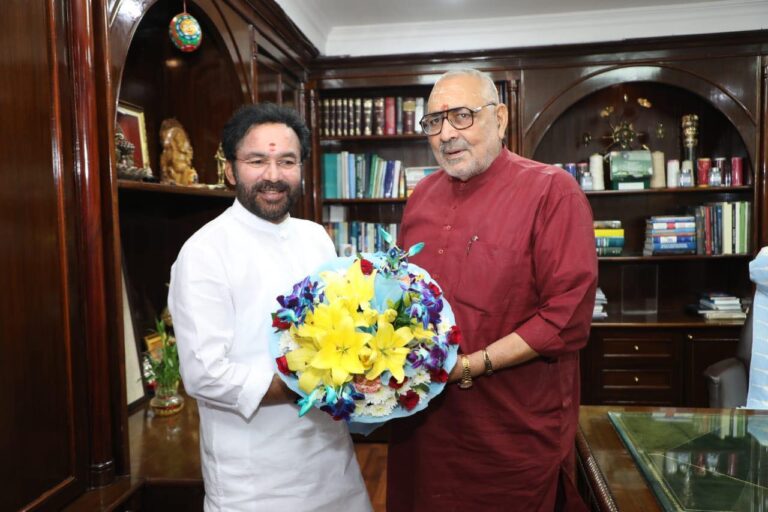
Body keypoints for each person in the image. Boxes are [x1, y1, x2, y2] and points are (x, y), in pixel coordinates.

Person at [387, 69, 597, 511]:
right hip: (423, 426)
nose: (446, 134)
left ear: (499, 119)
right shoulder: (421, 196)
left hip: (510, 430)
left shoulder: (551, 191)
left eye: (462, 116)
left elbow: (567, 317)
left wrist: (470, 366)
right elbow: (404, 295)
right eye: (434, 121)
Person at [168, 103, 372, 512]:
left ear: (302, 169)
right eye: (257, 161)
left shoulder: (316, 238)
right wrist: (308, 385)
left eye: (287, 161)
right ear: (230, 170)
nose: (273, 175)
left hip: (333, 464)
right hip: (254, 480)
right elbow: (204, 374)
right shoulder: (205, 251)